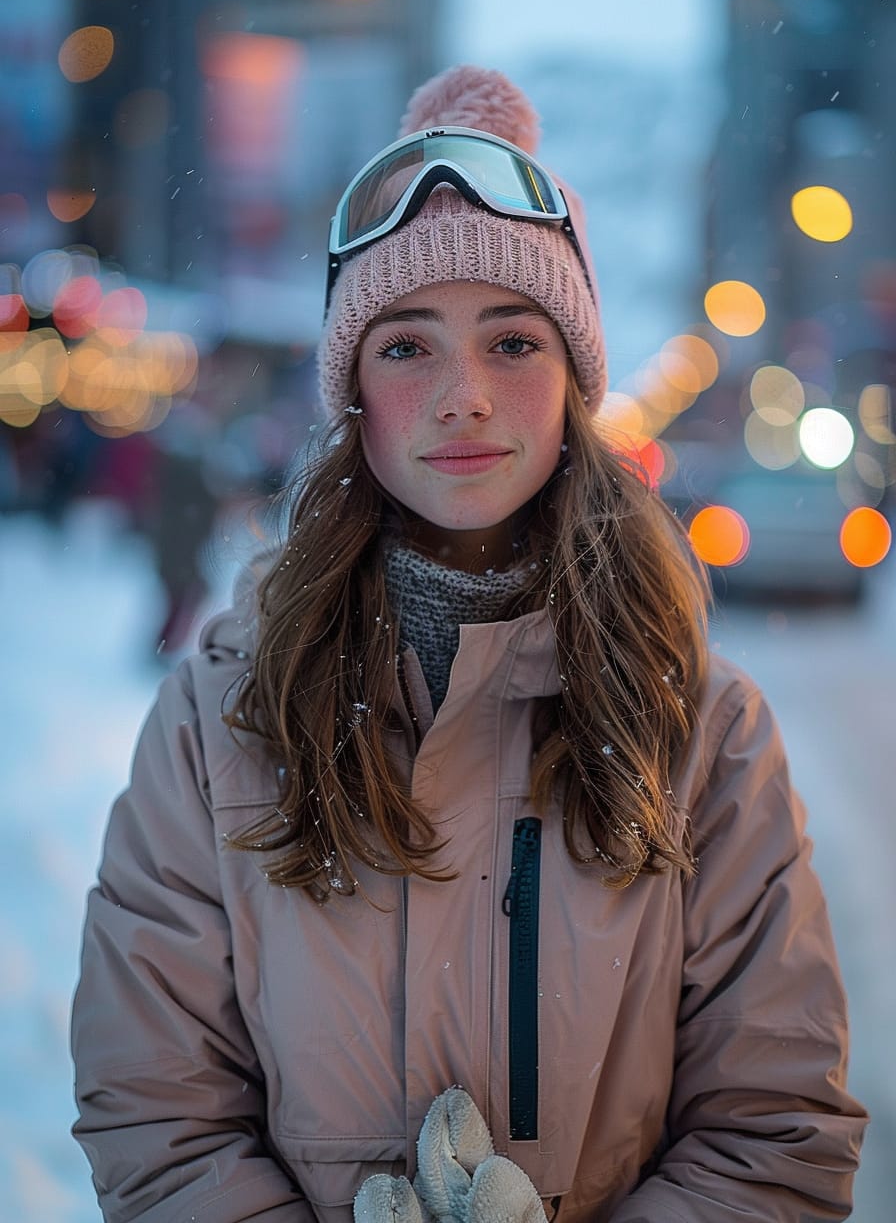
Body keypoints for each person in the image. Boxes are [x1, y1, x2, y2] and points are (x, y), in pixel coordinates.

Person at [71, 65, 867, 1223]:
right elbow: (157, 1110)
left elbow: (775, 1130)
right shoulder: (219, 718)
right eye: (404, 347)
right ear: (351, 388)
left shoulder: (703, 727)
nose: (462, 398)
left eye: (510, 343)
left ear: (573, 383)